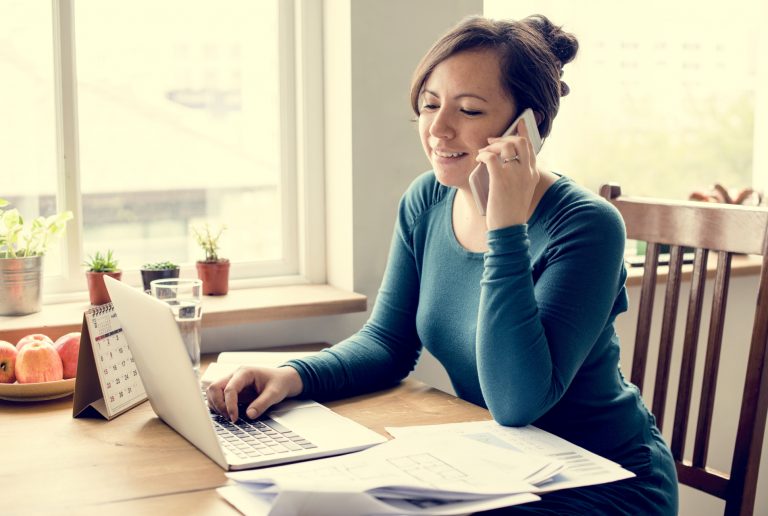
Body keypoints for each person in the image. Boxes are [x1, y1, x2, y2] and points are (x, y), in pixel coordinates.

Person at [207, 14, 679, 515]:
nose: (438, 129)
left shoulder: (587, 225)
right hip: (505, 466)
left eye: (470, 110)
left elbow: (517, 403)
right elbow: (388, 343)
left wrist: (505, 226)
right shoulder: (427, 200)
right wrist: (292, 375)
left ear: (528, 125)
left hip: (604, 479)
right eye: (430, 104)